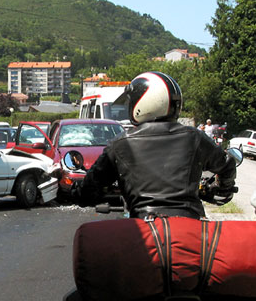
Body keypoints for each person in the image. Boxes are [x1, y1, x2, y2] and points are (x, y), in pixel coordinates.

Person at [72, 71, 237, 219]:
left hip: (144, 229)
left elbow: (88, 191)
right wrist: (220, 187)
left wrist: (75, 189)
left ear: (142, 103)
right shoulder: (194, 137)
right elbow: (227, 165)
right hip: (190, 228)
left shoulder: (120, 144)